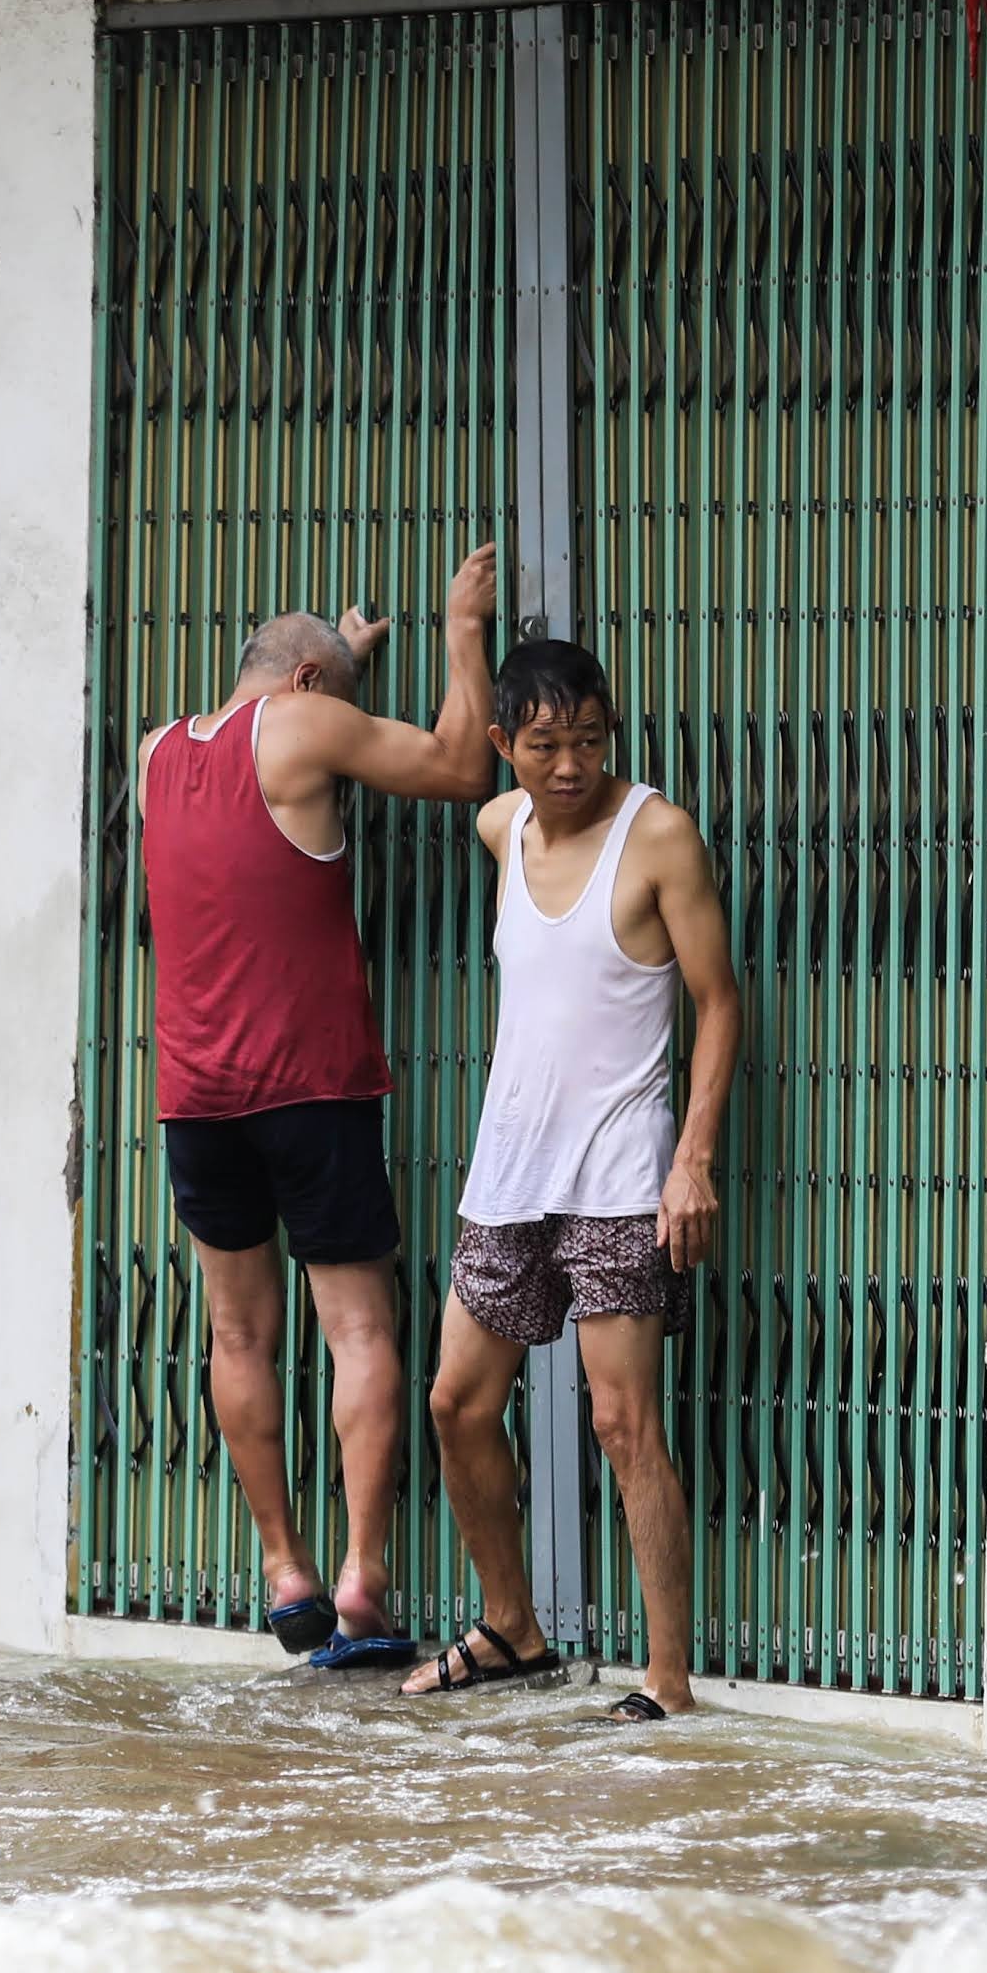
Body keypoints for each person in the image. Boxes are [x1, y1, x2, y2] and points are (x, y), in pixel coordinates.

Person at [138, 544, 500, 1665]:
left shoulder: (154, 750)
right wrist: (460, 630)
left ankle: (281, 1568)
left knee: (238, 1331)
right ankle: (362, 1575)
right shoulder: (300, 729)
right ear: (306, 689)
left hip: (195, 1097)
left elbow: (285, 714)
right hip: (310, 1087)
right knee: (355, 1328)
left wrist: (338, 658)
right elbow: (454, 766)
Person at [406, 637, 745, 1722]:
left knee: (619, 1420)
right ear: (506, 743)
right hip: (509, 1166)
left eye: (588, 740)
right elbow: (461, 769)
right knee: (456, 1403)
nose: (568, 766)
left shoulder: (656, 835)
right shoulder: (495, 826)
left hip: (616, 1169)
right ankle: (511, 1625)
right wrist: (464, 635)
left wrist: (688, 1161)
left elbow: (719, 1001)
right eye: (544, 745)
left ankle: (667, 1682)